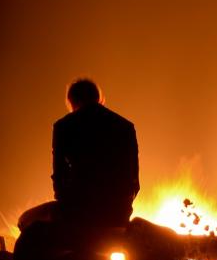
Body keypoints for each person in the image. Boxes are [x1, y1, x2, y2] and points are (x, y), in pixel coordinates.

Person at [18, 79, 139, 230]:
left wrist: (69, 207)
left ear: (71, 101)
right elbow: (134, 181)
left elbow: (59, 177)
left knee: (24, 221)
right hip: (117, 214)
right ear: (99, 99)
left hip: (77, 214)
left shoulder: (63, 126)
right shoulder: (125, 127)